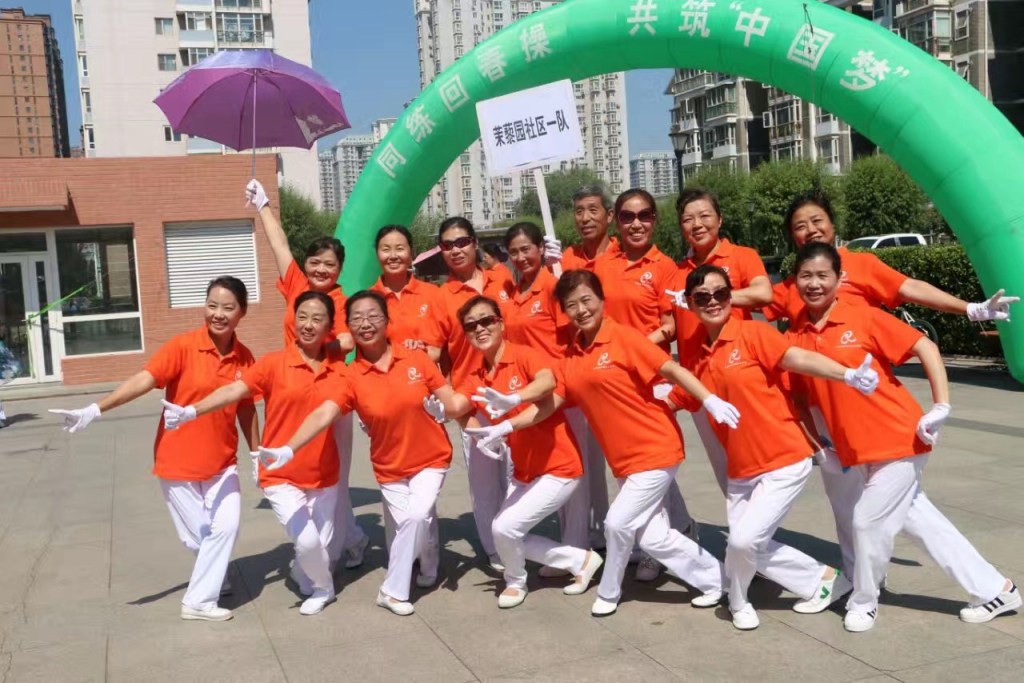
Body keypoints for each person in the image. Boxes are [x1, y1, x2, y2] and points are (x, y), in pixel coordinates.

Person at [468, 269, 742, 617]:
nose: (581, 310)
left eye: (587, 300)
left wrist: (708, 399)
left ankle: (609, 591)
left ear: (601, 300)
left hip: (655, 447)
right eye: (572, 305)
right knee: (653, 537)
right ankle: (719, 581)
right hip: (624, 460)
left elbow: (671, 370)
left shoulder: (623, 338)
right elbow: (550, 404)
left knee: (616, 523)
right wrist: (507, 424)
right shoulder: (573, 355)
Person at [786, 242, 1020, 633]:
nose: (814, 283)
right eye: (806, 275)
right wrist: (817, 443)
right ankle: (996, 589)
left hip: (900, 437)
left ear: (839, 279)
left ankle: (864, 601)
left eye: (823, 275)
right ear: (794, 281)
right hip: (858, 450)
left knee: (865, 520)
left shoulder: (863, 317)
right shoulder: (796, 335)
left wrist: (941, 404)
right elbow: (799, 397)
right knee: (923, 522)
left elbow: (924, 346)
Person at [665, 264, 879, 630]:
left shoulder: (752, 334)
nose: (713, 302)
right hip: (741, 470)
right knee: (745, 545)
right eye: (702, 297)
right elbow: (674, 399)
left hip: (783, 459)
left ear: (731, 297)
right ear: (690, 303)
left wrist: (846, 374)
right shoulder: (697, 357)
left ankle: (738, 602)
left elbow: (799, 358)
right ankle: (823, 581)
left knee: (743, 541)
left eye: (720, 293)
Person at [49, 277, 258, 621]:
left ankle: (200, 597)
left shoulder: (245, 358)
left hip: (223, 463)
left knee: (226, 527)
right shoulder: (182, 346)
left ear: (242, 312)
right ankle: (207, 590)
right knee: (200, 538)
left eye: (227, 307)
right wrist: (96, 409)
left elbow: (247, 409)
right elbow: (144, 380)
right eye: (212, 305)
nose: (218, 314)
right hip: (178, 463)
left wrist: (256, 454)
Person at [258, 291, 455, 616]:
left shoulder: (415, 358)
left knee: (418, 516)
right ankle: (428, 560)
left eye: (373, 316)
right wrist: (288, 448)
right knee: (412, 526)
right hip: (390, 467)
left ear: (387, 321)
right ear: (348, 327)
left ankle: (392, 591)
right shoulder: (350, 376)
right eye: (357, 318)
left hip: (432, 458)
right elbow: (324, 413)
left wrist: (458, 414)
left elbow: (453, 400)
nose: (366, 323)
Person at [161, 291, 347, 616]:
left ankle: (307, 576)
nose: (308, 324)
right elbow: (235, 390)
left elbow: (326, 414)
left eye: (317, 319)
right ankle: (324, 589)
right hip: (279, 472)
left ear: (329, 326)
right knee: (307, 542)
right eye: (302, 317)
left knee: (320, 549)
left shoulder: (340, 372)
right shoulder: (273, 363)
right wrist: (193, 410)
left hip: (323, 474)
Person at [443, 295, 602, 607]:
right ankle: (578, 560)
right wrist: (442, 407)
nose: (480, 328)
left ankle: (517, 581)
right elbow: (459, 406)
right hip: (526, 470)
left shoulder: (524, 355)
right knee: (502, 531)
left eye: (486, 320)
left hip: (559, 466)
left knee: (505, 528)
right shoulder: (477, 373)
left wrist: (515, 399)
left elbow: (547, 382)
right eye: (472, 325)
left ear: (501, 324)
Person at [245, 178, 368, 574]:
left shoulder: (343, 301)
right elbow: (279, 245)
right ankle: (343, 540)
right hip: (289, 390)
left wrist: (327, 344)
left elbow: (348, 338)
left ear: (340, 269)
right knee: (296, 473)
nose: (320, 269)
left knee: (333, 480)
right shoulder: (297, 285)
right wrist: (263, 204)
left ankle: (334, 550)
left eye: (329, 264)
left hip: (330, 396)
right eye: (315, 261)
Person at [764, 189, 1018, 324]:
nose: (811, 230)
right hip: (812, 396)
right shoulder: (791, 286)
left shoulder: (862, 264)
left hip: (864, 386)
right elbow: (744, 302)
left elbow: (911, 288)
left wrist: (971, 308)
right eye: (800, 226)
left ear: (832, 224)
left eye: (817, 221)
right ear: (793, 236)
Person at [666, 187, 776, 494]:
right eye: (688, 219)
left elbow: (764, 292)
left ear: (720, 219)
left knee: (755, 468)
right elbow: (669, 326)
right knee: (727, 475)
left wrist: (712, 297)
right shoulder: (676, 272)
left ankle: (758, 523)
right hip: (699, 387)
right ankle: (742, 523)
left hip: (739, 379)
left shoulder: (742, 256)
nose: (697, 224)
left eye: (704, 216)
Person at [430, 216, 515, 569]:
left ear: (475, 242)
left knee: (517, 477)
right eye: (447, 245)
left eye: (462, 242)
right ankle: (495, 548)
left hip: (513, 395)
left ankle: (516, 539)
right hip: (473, 402)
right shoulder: (441, 297)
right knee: (484, 485)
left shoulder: (503, 279)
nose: (456, 250)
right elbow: (435, 353)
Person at [501, 222, 589, 554]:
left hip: (561, 395)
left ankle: (577, 546)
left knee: (570, 474)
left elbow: (574, 338)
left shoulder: (553, 288)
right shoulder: (514, 293)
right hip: (529, 396)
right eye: (514, 252)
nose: (521, 257)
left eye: (526, 249)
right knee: (548, 473)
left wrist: (565, 380)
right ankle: (566, 548)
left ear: (541, 248)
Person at [593, 188, 677, 349]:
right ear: (617, 223)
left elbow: (669, 326)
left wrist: (634, 349)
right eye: (627, 217)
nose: (636, 224)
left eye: (644, 215)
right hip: (609, 359)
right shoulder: (602, 264)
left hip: (650, 360)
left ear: (654, 220)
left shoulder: (665, 266)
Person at [370, 224, 444, 361]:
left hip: (425, 371)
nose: (393, 256)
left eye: (400, 249)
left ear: (411, 253)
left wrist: (423, 350)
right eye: (386, 249)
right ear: (377, 254)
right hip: (384, 373)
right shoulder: (368, 300)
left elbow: (437, 350)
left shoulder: (433, 294)